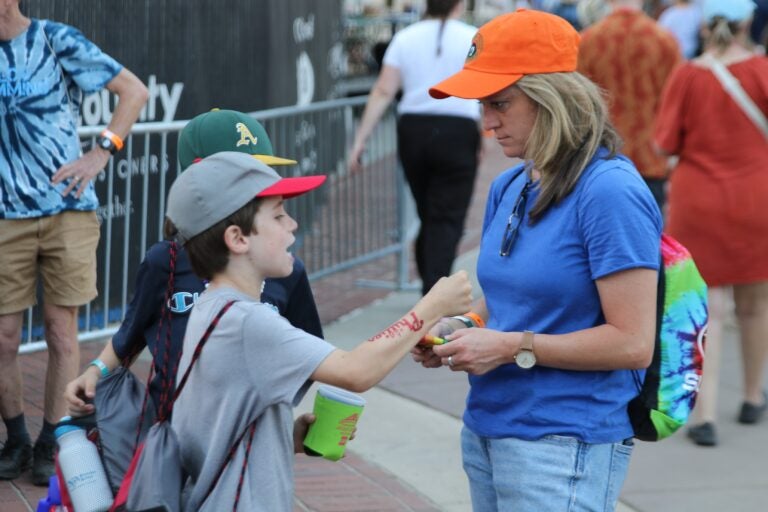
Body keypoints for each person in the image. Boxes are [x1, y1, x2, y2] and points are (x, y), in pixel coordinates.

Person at [415, 9, 662, 510]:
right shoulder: (511, 184)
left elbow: (633, 344)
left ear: (554, 97)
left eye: (500, 103)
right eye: (483, 105)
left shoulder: (609, 191)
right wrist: (463, 327)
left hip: (564, 442)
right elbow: (511, 299)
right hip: (488, 428)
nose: (487, 123)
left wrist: (507, 347)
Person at [163, 151, 472, 511]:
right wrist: (432, 305)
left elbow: (213, 427)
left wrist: (284, 437)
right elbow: (356, 371)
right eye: (278, 215)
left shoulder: (211, 306)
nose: (292, 224)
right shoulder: (249, 322)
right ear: (238, 238)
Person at [65, 109, 325, 425]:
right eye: (245, 177)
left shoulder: (286, 271)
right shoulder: (165, 262)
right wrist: (95, 372)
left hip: (246, 439)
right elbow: (130, 333)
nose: (262, 187)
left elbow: (313, 354)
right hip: (172, 437)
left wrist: (277, 416)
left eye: (264, 173)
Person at [0, 0, 148, 486]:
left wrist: (102, 152)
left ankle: (52, 438)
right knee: (3, 337)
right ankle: (16, 438)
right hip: (5, 218)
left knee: (62, 333)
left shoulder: (53, 38)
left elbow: (133, 91)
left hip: (68, 210)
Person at [654, 0, 768, 447]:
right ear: (746, 23)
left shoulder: (688, 74)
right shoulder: (762, 71)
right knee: (755, 305)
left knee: (707, 311)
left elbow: (665, 144)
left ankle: (703, 415)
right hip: (757, 198)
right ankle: (751, 396)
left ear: (704, 24)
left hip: (697, 200)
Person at [349, 0, 481, 296]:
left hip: (415, 130)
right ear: (459, 5)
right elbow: (483, 91)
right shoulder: (472, 37)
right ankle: (433, 293)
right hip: (458, 130)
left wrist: (360, 139)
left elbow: (384, 90)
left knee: (430, 213)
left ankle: (430, 286)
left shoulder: (405, 38)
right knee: (446, 217)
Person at [578, 0, 682, 213]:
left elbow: (579, 104)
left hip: (603, 156)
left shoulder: (588, 40)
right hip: (651, 156)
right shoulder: (665, 40)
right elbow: (675, 102)